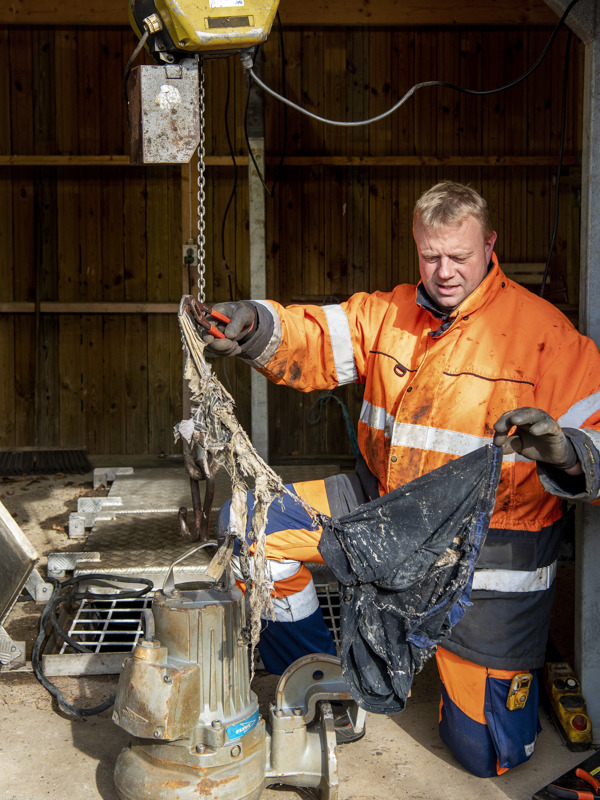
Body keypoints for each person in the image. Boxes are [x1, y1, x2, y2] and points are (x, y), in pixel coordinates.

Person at [200, 181, 600, 777]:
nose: (443, 272)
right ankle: (321, 679)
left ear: (490, 245)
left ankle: (458, 663)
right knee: (247, 525)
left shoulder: (548, 337)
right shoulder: (387, 314)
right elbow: (313, 336)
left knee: (485, 754)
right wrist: (255, 324)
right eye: (430, 255)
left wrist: (567, 452)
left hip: (484, 557)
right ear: (416, 247)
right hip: (379, 510)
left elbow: (595, 438)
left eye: (459, 257)